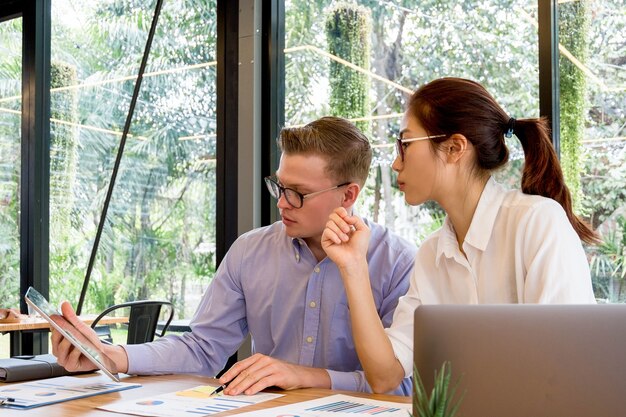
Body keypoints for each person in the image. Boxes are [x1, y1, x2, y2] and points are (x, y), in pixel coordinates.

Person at [52, 116, 417, 395]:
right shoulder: (250, 251)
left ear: (348, 195)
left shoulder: (398, 262)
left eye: (298, 193)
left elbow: (400, 387)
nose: (282, 203)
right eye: (279, 186)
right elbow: (203, 348)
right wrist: (115, 356)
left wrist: (305, 377)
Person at [321, 77, 598, 393]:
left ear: (454, 148)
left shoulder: (537, 222)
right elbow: (385, 376)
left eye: (405, 144)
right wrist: (353, 267)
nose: (396, 163)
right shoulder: (432, 252)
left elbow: (565, 369)